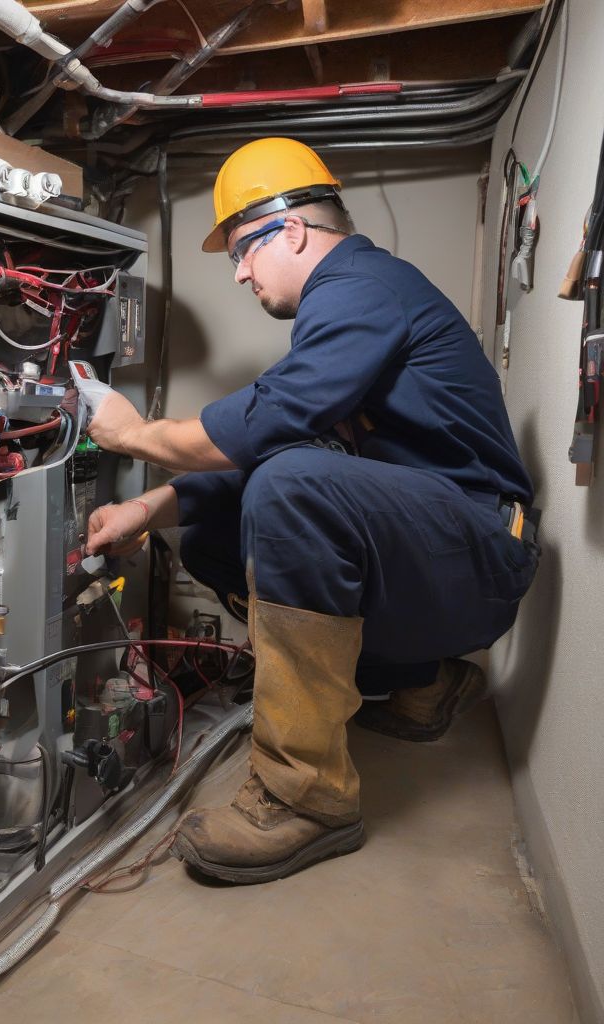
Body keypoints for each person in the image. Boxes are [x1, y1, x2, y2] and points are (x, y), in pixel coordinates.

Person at [82, 138, 539, 885]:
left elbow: (272, 431)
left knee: (292, 486)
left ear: (291, 229)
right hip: (450, 556)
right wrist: (146, 508)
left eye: (241, 251)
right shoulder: (352, 307)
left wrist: (135, 434)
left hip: (483, 554)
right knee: (215, 536)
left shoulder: (360, 288)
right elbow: (289, 438)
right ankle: (424, 681)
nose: (238, 273)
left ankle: (306, 797)